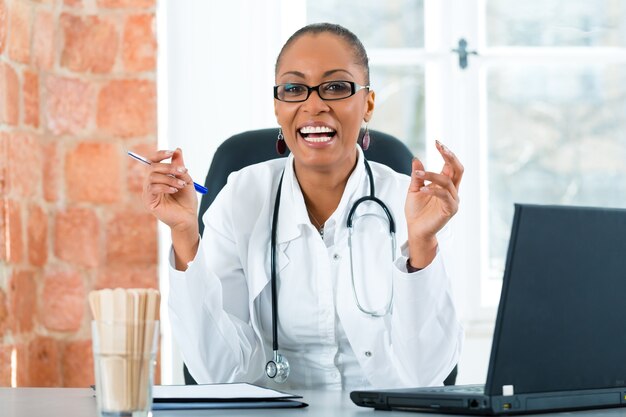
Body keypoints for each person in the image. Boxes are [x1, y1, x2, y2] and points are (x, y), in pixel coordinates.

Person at [142, 23, 464, 390]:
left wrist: (422, 246)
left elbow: (427, 377)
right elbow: (217, 375)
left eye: (337, 87)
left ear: (368, 104)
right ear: (278, 107)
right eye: (294, 89)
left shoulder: (414, 205)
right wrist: (185, 234)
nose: (314, 105)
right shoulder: (241, 197)